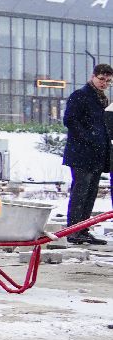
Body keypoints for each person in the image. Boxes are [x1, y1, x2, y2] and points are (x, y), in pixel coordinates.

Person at [60, 64, 112, 245]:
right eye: (101, 79)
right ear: (93, 77)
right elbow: (70, 120)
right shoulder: (81, 96)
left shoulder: (102, 100)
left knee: (90, 193)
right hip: (82, 153)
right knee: (80, 192)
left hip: (96, 154)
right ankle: (73, 230)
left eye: (108, 81)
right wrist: (89, 138)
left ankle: (83, 229)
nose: (104, 83)